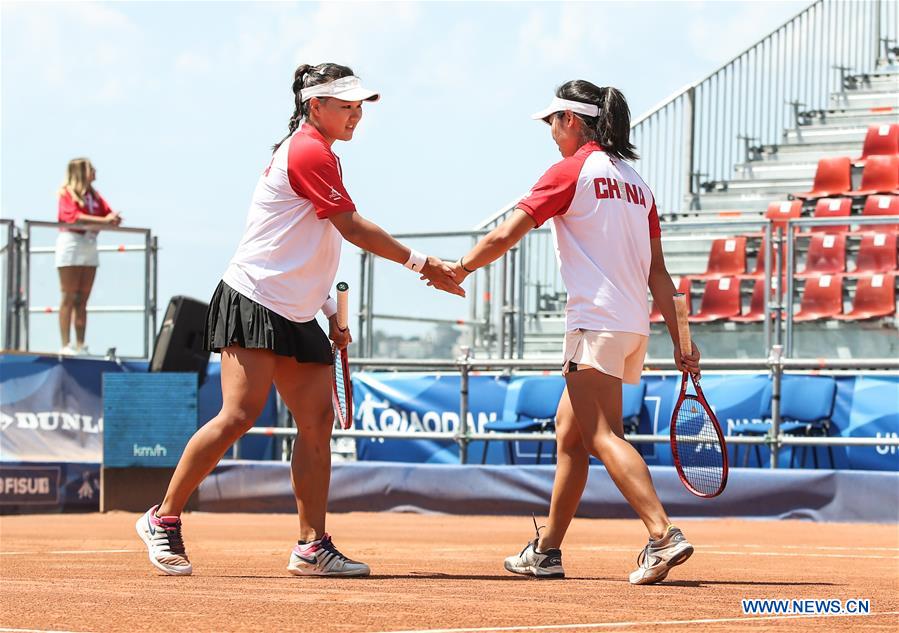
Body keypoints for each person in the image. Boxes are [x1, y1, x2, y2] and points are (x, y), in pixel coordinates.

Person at [135, 63, 462, 578]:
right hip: (252, 298)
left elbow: (311, 244)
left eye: (359, 107)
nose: (356, 115)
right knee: (240, 415)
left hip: (296, 309)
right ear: (316, 107)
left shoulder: (323, 154)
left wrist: (330, 309)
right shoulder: (307, 150)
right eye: (346, 106)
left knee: (316, 423)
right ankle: (163, 518)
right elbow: (350, 228)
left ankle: (312, 545)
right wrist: (421, 264)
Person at [444, 81, 701, 584]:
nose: (550, 132)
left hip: (595, 321)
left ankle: (662, 534)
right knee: (571, 435)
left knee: (604, 435)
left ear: (574, 121)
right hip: (631, 327)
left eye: (553, 121)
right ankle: (546, 551)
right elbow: (660, 275)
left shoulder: (571, 171)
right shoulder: (638, 185)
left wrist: (458, 270)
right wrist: (682, 340)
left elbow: (505, 234)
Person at [55, 158, 122, 355]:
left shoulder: (94, 195)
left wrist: (112, 220)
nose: (94, 171)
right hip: (72, 242)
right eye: (90, 168)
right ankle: (66, 344)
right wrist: (104, 220)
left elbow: (107, 214)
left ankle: (80, 344)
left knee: (83, 298)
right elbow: (73, 216)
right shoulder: (66, 193)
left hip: (90, 243)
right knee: (69, 295)